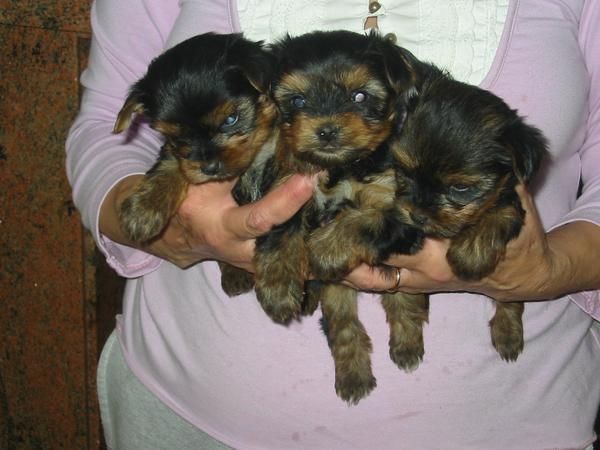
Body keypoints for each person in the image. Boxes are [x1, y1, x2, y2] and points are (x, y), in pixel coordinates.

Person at [66, 0, 600, 448]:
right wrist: (173, 228)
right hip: (184, 402)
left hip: (509, 423)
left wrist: (547, 272)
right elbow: (105, 124)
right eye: (293, 101)